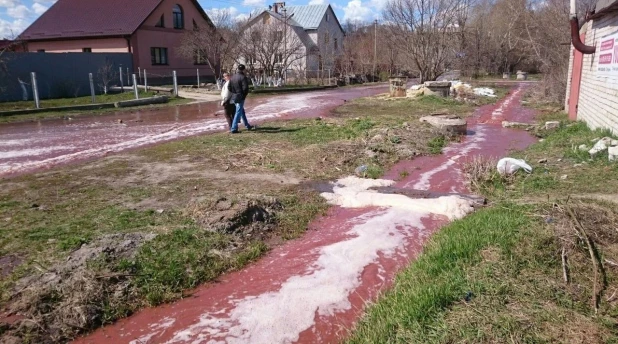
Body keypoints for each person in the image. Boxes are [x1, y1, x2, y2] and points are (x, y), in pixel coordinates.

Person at [228, 64, 255, 133]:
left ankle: (247, 125)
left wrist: (234, 93)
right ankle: (233, 128)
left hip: (234, 96)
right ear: (243, 69)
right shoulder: (243, 77)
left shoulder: (233, 77)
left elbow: (229, 87)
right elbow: (245, 88)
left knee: (241, 111)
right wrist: (243, 95)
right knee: (238, 112)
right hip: (240, 96)